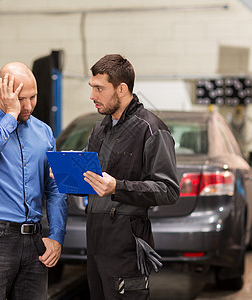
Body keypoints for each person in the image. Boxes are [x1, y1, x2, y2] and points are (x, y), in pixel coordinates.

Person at [0, 62, 67, 300]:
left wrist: (57, 235)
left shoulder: (44, 131)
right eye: (20, 98)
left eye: (33, 97)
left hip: (35, 243)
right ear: (2, 94)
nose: (27, 106)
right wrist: (10, 116)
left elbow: (55, 187)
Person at [83, 54, 180, 299]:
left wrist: (117, 187)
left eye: (99, 89)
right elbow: (89, 176)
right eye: (92, 88)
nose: (93, 96)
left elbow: (168, 190)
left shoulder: (152, 129)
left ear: (122, 89)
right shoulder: (99, 129)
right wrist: (64, 173)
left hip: (127, 243)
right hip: (95, 239)